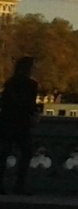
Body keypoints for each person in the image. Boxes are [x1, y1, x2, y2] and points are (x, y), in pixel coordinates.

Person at [0, 56, 40, 195]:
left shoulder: (10, 83)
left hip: (7, 122)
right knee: (26, 152)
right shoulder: (31, 85)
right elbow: (30, 104)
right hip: (22, 124)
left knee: (4, 154)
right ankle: (19, 185)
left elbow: (5, 102)